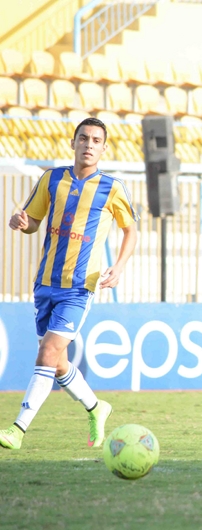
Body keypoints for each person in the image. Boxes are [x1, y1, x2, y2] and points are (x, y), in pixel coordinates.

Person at [1, 117, 139, 450]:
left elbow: (131, 230)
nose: (89, 145)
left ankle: (18, 429)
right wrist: (21, 222)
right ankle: (96, 407)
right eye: (84, 138)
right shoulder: (51, 179)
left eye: (96, 140)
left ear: (104, 148)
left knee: (47, 352)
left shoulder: (112, 188)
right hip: (45, 282)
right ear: (73, 142)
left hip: (80, 286)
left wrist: (119, 267)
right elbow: (33, 221)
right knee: (58, 362)